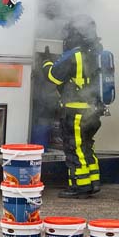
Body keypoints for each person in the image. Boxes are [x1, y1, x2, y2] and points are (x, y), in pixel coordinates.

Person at [43, 15, 103, 198]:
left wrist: (46, 61)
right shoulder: (99, 52)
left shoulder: (75, 54)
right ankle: (93, 182)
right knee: (87, 147)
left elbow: (53, 76)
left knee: (74, 148)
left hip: (76, 111)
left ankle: (80, 187)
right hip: (93, 110)